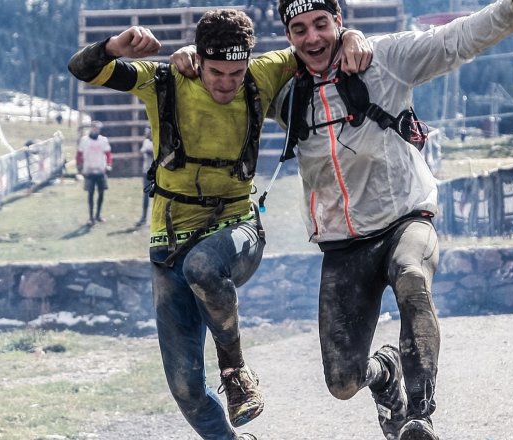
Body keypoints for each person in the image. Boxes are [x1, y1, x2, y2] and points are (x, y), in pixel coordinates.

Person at [68, 10, 369, 440]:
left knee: (204, 267)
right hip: (168, 242)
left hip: (236, 227)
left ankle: (234, 369)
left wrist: (354, 34)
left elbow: (317, 44)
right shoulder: (165, 81)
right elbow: (84, 69)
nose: (227, 83)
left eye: (236, 72)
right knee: (185, 386)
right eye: (216, 72)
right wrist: (115, 46)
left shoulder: (263, 74)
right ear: (199, 61)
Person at [269, 0, 513, 438]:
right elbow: (225, 78)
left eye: (321, 23)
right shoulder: (285, 89)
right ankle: (387, 374)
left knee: (412, 278)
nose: (313, 37)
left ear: (339, 21)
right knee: (343, 382)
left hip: (404, 219)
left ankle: (419, 413)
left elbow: (457, 40)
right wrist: (189, 59)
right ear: (288, 37)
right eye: (299, 29)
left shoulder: (386, 58)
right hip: (342, 242)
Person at [76, 121, 112, 225]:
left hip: (100, 170)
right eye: (94, 128)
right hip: (89, 170)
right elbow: (79, 154)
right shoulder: (84, 140)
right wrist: (79, 166)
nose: (96, 130)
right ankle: (91, 217)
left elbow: (108, 154)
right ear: (91, 128)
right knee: (90, 193)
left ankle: (98, 215)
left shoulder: (103, 140)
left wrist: (109, 165)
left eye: (98, 129)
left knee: (101, 193)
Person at [136, 126, 154, 227]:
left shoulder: (158, 142)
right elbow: (141, 152)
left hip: (156, 173)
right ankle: (144, 218)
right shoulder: (146, 142)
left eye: (147, 132)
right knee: (146, 195)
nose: (145, 134)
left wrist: (148, 152)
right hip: (146, 171)